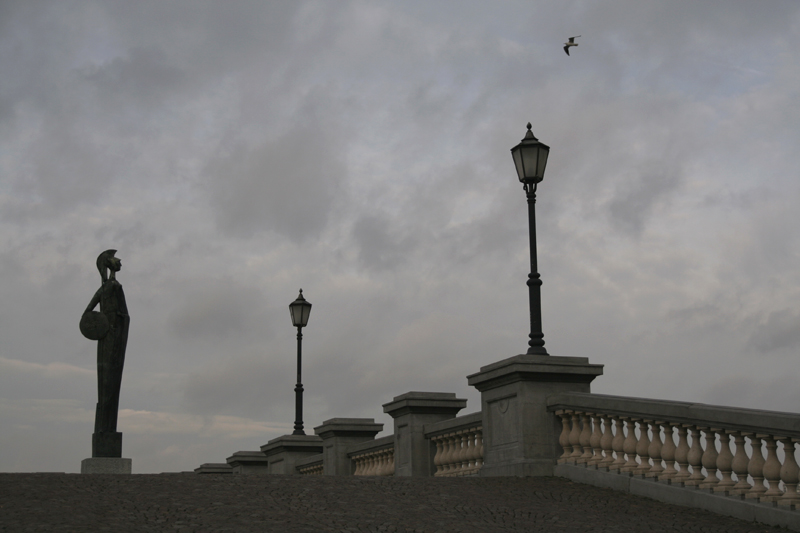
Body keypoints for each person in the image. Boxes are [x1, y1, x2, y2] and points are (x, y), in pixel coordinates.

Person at [82, 249, 130, 457]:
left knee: (110, 382)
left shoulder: (111, 287)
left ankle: (106, 426)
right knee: (108, 382)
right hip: (111, 337)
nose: (119, 260)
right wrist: (107, 325)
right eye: (115, 258)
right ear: (109, 264)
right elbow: (88, 313)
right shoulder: (111, 287)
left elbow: (89, 310)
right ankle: (104, 427)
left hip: (113, 336)